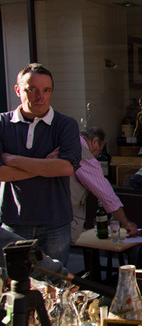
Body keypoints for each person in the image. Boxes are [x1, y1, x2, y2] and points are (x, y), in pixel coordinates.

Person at [0, 63, 81, 266]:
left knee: (54, 285)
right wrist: (45, 166)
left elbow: (65, 168)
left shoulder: (65, 124)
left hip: (54, 221)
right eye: (32, 90)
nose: (40, 97)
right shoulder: (2, 123)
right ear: (18, 90)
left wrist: (13, 160)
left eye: (46, 90)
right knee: (18, 286)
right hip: (14, 222)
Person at [70, 126, 138, 244]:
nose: (97, 155)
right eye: (100, 150)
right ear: (95, 142)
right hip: (62, 219)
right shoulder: (84, 155)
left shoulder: (67, 144)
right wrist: (126, 223)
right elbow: (107, 196)